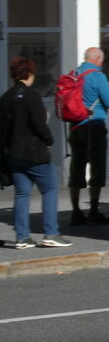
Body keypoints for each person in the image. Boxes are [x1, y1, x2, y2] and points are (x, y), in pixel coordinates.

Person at [0, 57, 71, 248]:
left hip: (13, 155)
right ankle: (51, 233)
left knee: (22, 194)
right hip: (34, 154)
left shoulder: (5, 97)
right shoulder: (32, 96)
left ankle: (22, 237)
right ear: (29, 73)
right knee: (50, 189)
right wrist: (49, 140)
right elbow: (39, 124)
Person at [68, 46, 109, 225]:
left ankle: (76, 211)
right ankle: (93, 210)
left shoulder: (75, 73)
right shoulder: (98, 76)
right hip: (94, 126)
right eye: (102, 59)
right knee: (97, 169)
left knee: (76, 168)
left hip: (75, 127)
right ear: (98, 59)